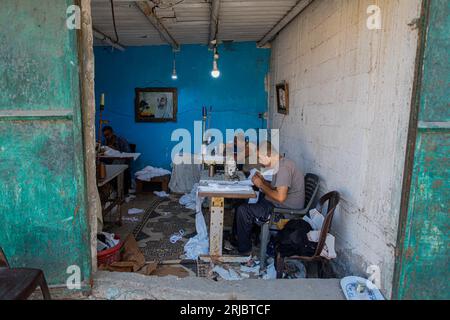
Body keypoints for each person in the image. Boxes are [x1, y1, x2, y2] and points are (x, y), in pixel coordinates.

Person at [230, 141, 305, 255]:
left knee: (243, 210)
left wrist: (260, 185)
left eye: (260, 158)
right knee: (241, 204)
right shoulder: (280, 164)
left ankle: (244, 250)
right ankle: (238, 239)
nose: (259, 161)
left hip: (284, 211)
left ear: (269, 155)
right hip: (278, 205)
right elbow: (277, 189)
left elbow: (280, 197)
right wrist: (263, 182)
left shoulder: (283, 168)